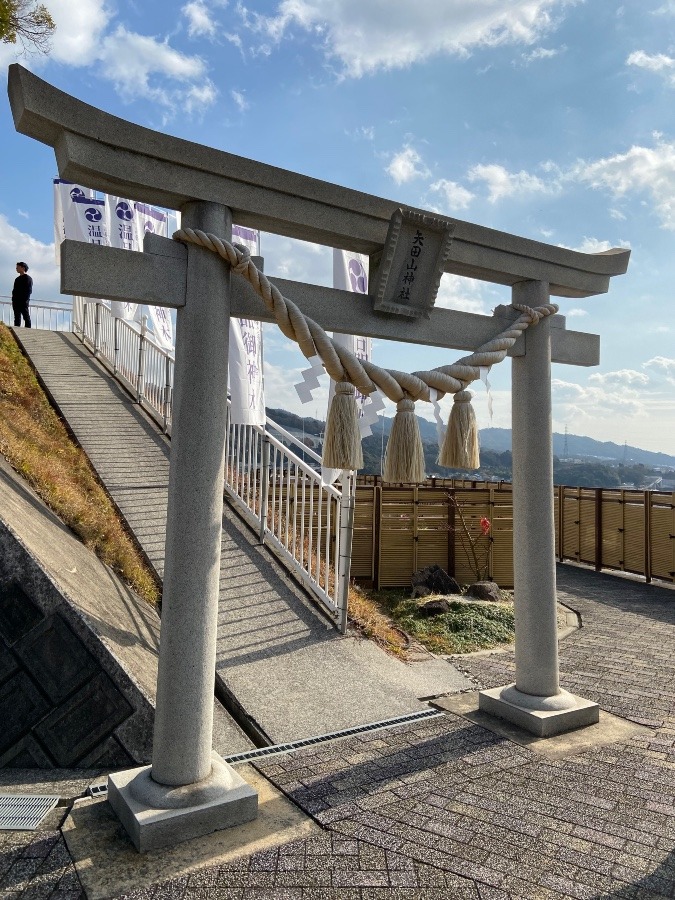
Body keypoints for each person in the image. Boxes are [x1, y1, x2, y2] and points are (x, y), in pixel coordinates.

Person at [12, 262, 32, 328]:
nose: (16, 268)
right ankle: (16, 329)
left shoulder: (28, 278)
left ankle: (28, 330)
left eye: (18, 267)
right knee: (17, 317)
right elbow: (14, 290)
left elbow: (29, 290)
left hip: (23, 301)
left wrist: (25, 300)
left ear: (23, 268)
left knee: (26, 316)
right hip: (16, 301)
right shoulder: (17, 279)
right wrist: (13, 299)